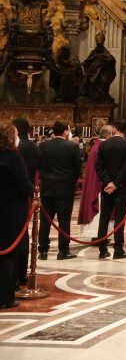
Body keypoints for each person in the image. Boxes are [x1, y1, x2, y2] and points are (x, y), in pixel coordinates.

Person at [0, 121, 33, 309]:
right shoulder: (13, 157)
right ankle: (6, 298)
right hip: (9, 212)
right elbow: (23, 185)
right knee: (7, 256)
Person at [38, 121, 81, 260]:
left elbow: (40, 165)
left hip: (47, 188)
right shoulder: (72, 146)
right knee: (64, 221)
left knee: (45, 220)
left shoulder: (43, 145)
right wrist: (71, 180)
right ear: (65, 132)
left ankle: (43, 251)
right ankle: (63, 251)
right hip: (65, 188)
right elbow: (77, 169)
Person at [95, 119, 126, 259]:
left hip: (107, 188)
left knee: (104, 218)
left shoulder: (104, 145)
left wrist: (108, 182)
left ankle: (102, 249)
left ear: (113, 130)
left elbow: (98, 166)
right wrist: (116, 184)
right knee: (119, 218)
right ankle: (118, 250)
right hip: (122, 187)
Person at [11, 117, 39, 290]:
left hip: (17, 196)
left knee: (17, 236)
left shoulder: (14, 151)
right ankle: (20, 274)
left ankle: (17, 275)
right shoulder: (35, 147)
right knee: (23, 235)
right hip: (26, 196)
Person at [78, 125, 113, 239]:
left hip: (96, 183)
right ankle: (98, 235)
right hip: (100, 185)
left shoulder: (96, 146)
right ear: (108, 135)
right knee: (101, 210)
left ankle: (99, 235)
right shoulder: (102, 147)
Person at [81, 31, 117, 101]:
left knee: (101, 81)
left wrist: (103, 64)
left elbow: (111, 60)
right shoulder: (94, 52)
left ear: (103, 42)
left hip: (102, 73)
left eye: (100, 42)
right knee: (90, 80)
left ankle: (101, 95)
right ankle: (93, 95)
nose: (98, 44)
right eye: (97, 42)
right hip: (92, 73)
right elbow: (89, 60)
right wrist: (85, 63)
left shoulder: (105, 52)